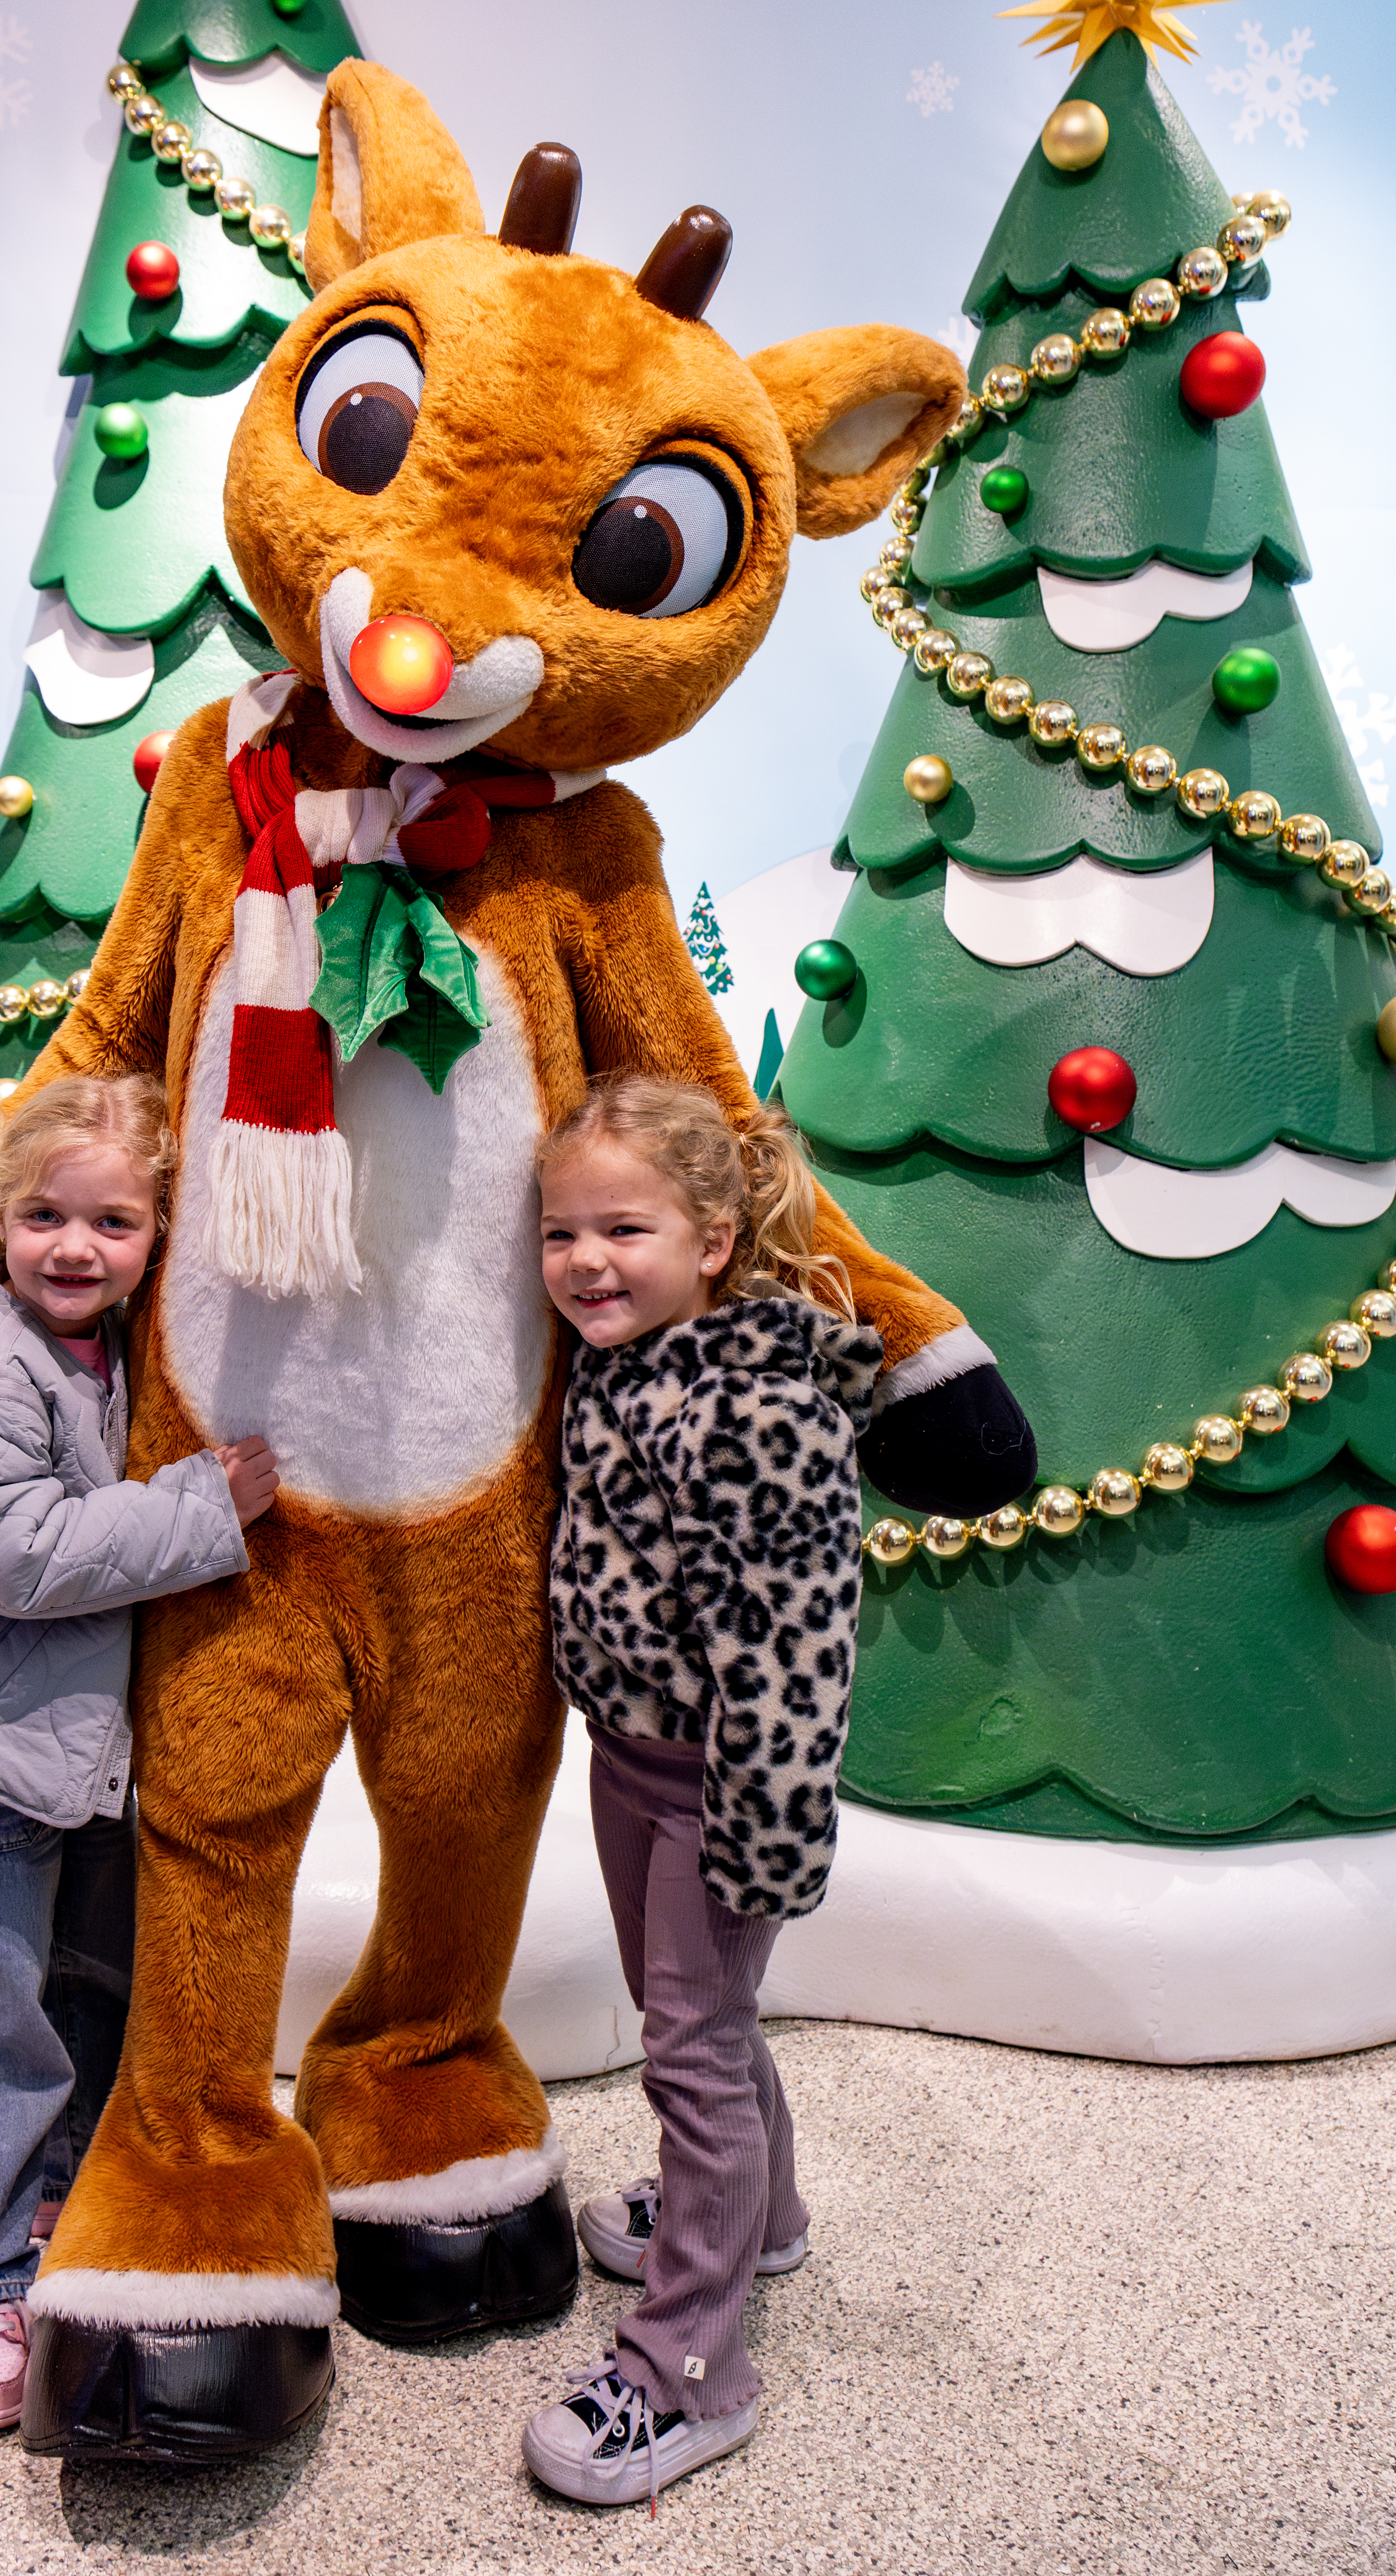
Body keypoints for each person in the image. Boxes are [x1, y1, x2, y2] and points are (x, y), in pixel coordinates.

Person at [0, 1073, 279, 2435]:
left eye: (112, 1223)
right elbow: (21, 1555)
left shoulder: (97, 1343)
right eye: (43, 1216)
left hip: (55, 1742)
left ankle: (57, 2201)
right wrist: (206, 1508)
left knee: (87, 1986)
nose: (74, 1247)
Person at [520, 1074, 885, 2511]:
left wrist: (763, 1834)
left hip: (717, 1790)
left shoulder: (756, 1410)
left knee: (690, 2060)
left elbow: (798, 1652)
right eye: (562, 1234)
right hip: (635, 1754)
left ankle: (690, 2373)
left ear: (717, 1239)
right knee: (710, 2028)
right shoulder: (629, 1363)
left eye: (626, 1228)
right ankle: (763, 2220)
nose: (588, 1262)